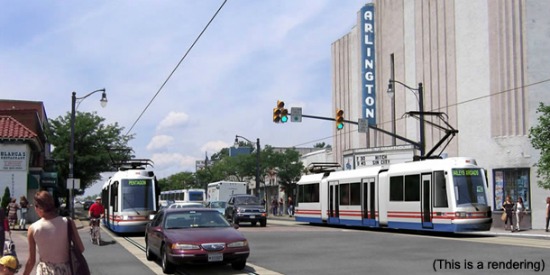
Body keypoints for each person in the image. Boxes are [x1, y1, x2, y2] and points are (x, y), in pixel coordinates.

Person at [22, 190, 85, 275]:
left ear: (39, 207)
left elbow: (31, 261)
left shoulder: (33, 228)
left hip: (44, 271)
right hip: (65, 270)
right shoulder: (68, 222)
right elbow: (81, 248)